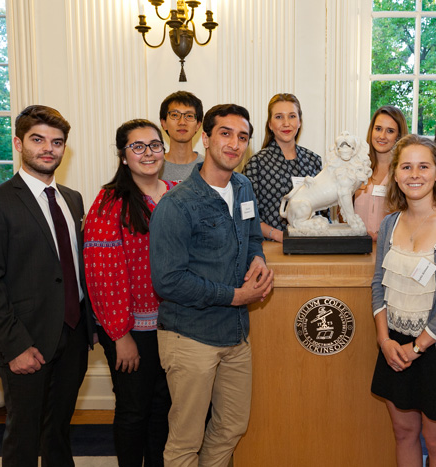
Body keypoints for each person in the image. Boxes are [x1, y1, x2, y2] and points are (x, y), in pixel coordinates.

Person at [0, 105, 94, 467]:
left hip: (73, 337)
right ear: (18, 143)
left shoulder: (72, 199)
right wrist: (15, 346)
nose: (48, 149)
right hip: (27, 341)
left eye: (57, 142)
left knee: (58, 432)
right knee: (23, 436)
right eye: (38, 140)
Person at [150, 104, 274, 467]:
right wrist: (237, 296)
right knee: (186, 438)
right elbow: (168, 281)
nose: (234, 143)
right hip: (190, 338)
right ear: (205, 138)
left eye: (242, 137)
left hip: (235, 337)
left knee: (231, 426)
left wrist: (259, 261)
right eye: (225, 133)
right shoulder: (176, 205)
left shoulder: (244, 186)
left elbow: (253, 237)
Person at [370, 134, 436, 466]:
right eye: (406, 166)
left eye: (423, 166)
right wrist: (384, 339)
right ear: (395, 174)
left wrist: (417, 347)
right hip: (394, 348)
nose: (414, 174)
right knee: (403, 434)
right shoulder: (389, 223)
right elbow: (378, 284)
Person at [84, 120, 174, 466]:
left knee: (162, 409)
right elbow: (102, 273)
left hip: (172, 326)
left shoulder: (176, 192)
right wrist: (121, 335)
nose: (148, 153)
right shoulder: (111, 202)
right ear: (123, 155)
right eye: (138, 146)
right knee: (134, 410)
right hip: (131, 328)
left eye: (154, 145)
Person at [243, 93, 322, 242]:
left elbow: (323, 212)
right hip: (273, 248)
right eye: (279, 117)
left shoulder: (314, 161)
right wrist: (279, 235)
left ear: (299, 122)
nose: (286, 123)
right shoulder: (256, 164)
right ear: (270, 124)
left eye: (292, 116)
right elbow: (247, 215)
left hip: (312, 246)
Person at [354, 105, 408, 241]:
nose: (382, 136)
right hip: (357, 249)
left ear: (399, 136)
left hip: (392, 249)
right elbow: (343, 211)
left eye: (390, 131)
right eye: (378, 129)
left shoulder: (405, 173)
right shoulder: (356, 168)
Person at [159, 91, 204, 182]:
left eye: (189, 116)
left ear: (198, 125)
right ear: (164, 123)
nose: (182, 122)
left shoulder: (206, 166)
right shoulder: (154, 166)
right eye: (175, 115)